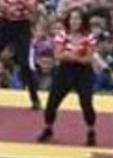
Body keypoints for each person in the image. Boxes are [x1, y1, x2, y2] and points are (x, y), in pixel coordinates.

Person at [38, 9, 98, 146]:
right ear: (68, 21)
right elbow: (58, 55)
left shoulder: (89, 37)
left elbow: (88, 59)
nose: (74, 22)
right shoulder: (62, 35)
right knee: (52, 102)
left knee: (86, 102)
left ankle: (91, 131)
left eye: (77, 19)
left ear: (83, 21)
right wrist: (77, 55)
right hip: (64, 71)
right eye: (72, 19)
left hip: (83, 73)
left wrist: (70, 55)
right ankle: (48, 128)